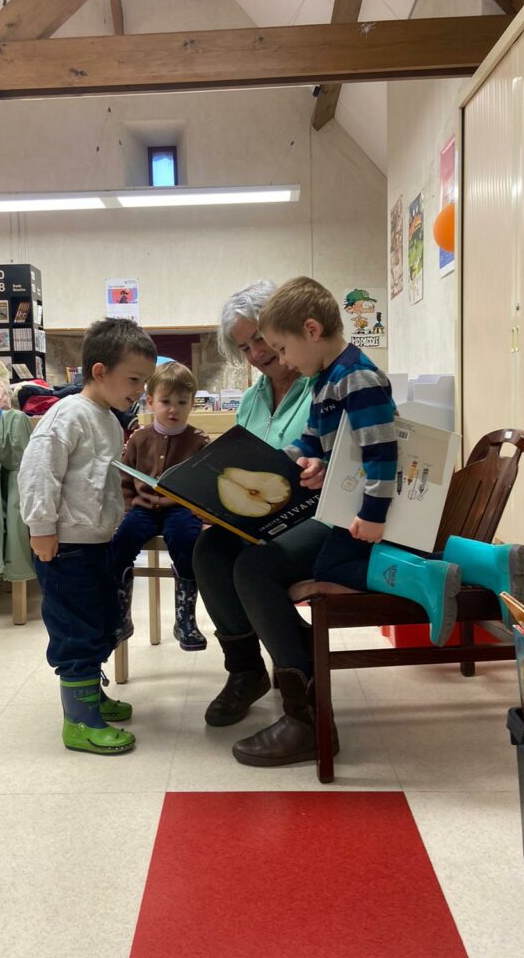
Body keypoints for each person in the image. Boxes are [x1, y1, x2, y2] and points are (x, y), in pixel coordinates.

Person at [225, 276, 524, 768]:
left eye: (283, 348)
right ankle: (488, 563)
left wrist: (371, 516)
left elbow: (381, 451)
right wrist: (290, 463)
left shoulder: (356, 378)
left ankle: (426, 578)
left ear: (311, 330)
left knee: (327, 566)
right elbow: (312, 442)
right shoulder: (326, 380)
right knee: (312, 563)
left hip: (369, 510)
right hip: (354, 505)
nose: (282, 360)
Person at [18, 318, 157, 756]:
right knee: (75, 628)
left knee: (98, 621)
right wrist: (41, 529)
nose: (141, 390)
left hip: (97, 541)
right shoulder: (67, 415)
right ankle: (79, 721)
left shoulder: (110, 420)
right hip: (65, 545)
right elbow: (39, 474)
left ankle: (91, 696)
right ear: (100, 371)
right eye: (134, 379)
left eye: (144, 381)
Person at [193, 280, 314, 729]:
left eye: (260, 338)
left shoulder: (320, 385)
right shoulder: (250, 400)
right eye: (245, 347)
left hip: (314, 518)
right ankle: (246, 671)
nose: (257, 353)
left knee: (253, 563)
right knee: (209, 550)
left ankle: (300, 686)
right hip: (262, 520)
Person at [113, 361, 211, 650]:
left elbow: (206, 484)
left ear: (192, 403)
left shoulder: (198, 441)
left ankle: (185, 619)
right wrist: (127, 508)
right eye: (166, 401)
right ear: (151, 402)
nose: (173, 409)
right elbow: (125, 478)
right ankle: (120, 616)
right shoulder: (139, 437)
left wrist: (200, 514)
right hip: (142, 507)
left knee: (186, 540)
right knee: (121, 541)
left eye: (182, 402)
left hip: (181, 508)